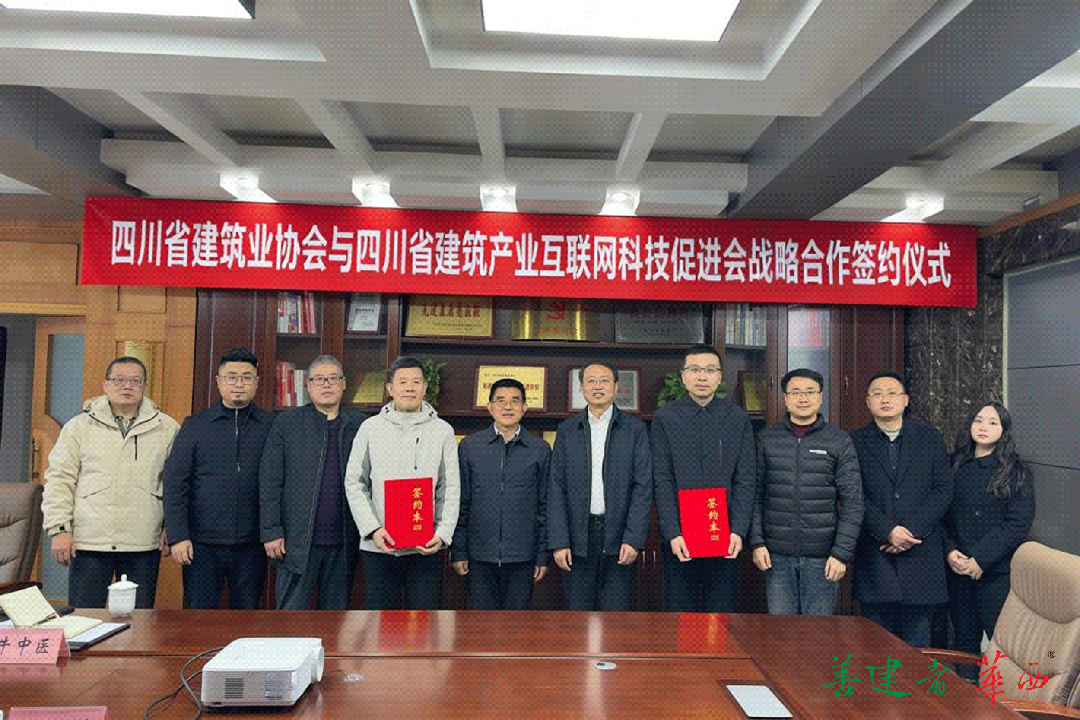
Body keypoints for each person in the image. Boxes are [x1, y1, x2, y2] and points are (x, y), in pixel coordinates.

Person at [41, 356, 179, 608]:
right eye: (119, 380)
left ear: (145, 386)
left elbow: (177, 484)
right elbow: (59, 479)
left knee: (139, 620)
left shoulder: (166, 428)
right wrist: (60, 529)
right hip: (90, 540)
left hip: (142, 541)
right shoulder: (79, 427)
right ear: (105, 385)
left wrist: (173, 526)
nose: (127, 386)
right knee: (85, 617)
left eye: (135, 381)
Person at [344, 356, 460, 610]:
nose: (410, 388)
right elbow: (354, 482)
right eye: (403, 382)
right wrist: (373, 529)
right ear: (390, 388)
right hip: (379, 545)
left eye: (416, 382)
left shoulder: (442, 431)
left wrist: (442, 534)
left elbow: (450, 488)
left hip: (425, 546)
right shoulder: (370, 428)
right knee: (379, 621)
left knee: (424, 621)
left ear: (425, 387)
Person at [163, 347, 272, 609]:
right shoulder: (195, 425)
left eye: (246, 377)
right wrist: (178, 536)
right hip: (201, 543)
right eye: (231, 377)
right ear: (219, 381)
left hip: (253, 544)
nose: (239, 384)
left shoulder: (271, 426)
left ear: (256, 383)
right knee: (197, 617)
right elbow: (175, 483)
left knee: (248, 617)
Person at [749, 368, 863, 615]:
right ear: (785, 398)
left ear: (820, 397)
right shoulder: (766, 439)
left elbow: (853, 503)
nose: (803, 398)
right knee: (781, 631)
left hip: (823, 558)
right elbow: (755, 495)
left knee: (817, 632)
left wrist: (841, 554)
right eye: (796, 392)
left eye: (810, 392)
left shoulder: (838, 441)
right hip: (776, 556)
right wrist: (757, 542)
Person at [851, 371, 952, 646]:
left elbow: (943, 490)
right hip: (876, 556)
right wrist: (887, 530)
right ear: (867, 401)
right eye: (877, 394)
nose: (885, 399)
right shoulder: (855, 442)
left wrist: (909, 531)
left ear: (906, 399)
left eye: (892, 393)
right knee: (875, 647)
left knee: (917, 647)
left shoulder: (930, 438)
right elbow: (853, 495)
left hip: (920, 555)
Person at [651, 345, 756, 612]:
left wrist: (738, 530)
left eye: (710, 370)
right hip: (680, 537)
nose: (702, 376)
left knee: (720, 615)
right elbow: (662, 478)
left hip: (725, 535)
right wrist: (672, 532)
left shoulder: (737, 418)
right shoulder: (665, 418)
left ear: (719, 376)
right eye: (695, 370)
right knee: (681, 615)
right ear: (683, 376)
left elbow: (745, 479)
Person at [259, 355, 366, 609]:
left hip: (344, 541)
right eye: (319, 379)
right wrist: (272, 531)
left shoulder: (361, 425)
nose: (326, 385)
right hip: (296, 543)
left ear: (343, 384)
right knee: (291, 619)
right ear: (308, 386)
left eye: (333, 378)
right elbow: (270, 481)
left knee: (337, 621)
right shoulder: (287, 423)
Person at [548, 362, 652, 611]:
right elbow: (556, 487)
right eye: (591, 381)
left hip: (619, 538)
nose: (598, 386)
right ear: (581, 388)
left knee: (615, 616)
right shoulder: (567, 430)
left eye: (604, 381)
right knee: (578, 616)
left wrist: (633, 538)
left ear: (616, 388)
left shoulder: (635, 429)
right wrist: (559, 540)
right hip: (577, 539)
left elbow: (643, 487)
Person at [945, 401, 1035, 679]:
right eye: (978, 420)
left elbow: (1017, 524)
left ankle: (1002, 697)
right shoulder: (954, 464)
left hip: (995, 571)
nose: (984, 427)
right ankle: (966, 691)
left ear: (1003, 430)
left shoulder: (1016, 471)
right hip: (958, 567)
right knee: (963, 638)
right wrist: (950, 551)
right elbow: (941, 516)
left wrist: (980, 559)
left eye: (993, 422)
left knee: (1003, 641)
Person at [452, 378, 551, 609]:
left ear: (524, 407)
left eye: (515, 401)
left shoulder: (539, 449)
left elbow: (545, 506)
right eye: (500, 401)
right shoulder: (470, 447)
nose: (508, 407)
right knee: (480, 624)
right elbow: (461, 503)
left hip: (523, 557)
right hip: (479, 556)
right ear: (490, 407)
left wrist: (542, 555)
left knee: (517, 625)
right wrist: (459, 551)